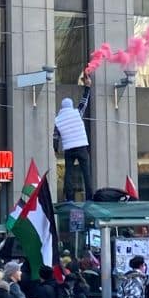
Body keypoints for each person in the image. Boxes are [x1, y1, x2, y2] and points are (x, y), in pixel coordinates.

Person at [54, 73, 93, 202]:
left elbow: (55, 136)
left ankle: (69, 198)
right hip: (81, 146)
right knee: (86, 172)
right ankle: (89, 197)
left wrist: (55, 149)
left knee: (69, 173)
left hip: (69, 149)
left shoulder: (57, 119)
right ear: (70, 106)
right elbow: (84, 102)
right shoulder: (77, 113)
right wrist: (87, 87)